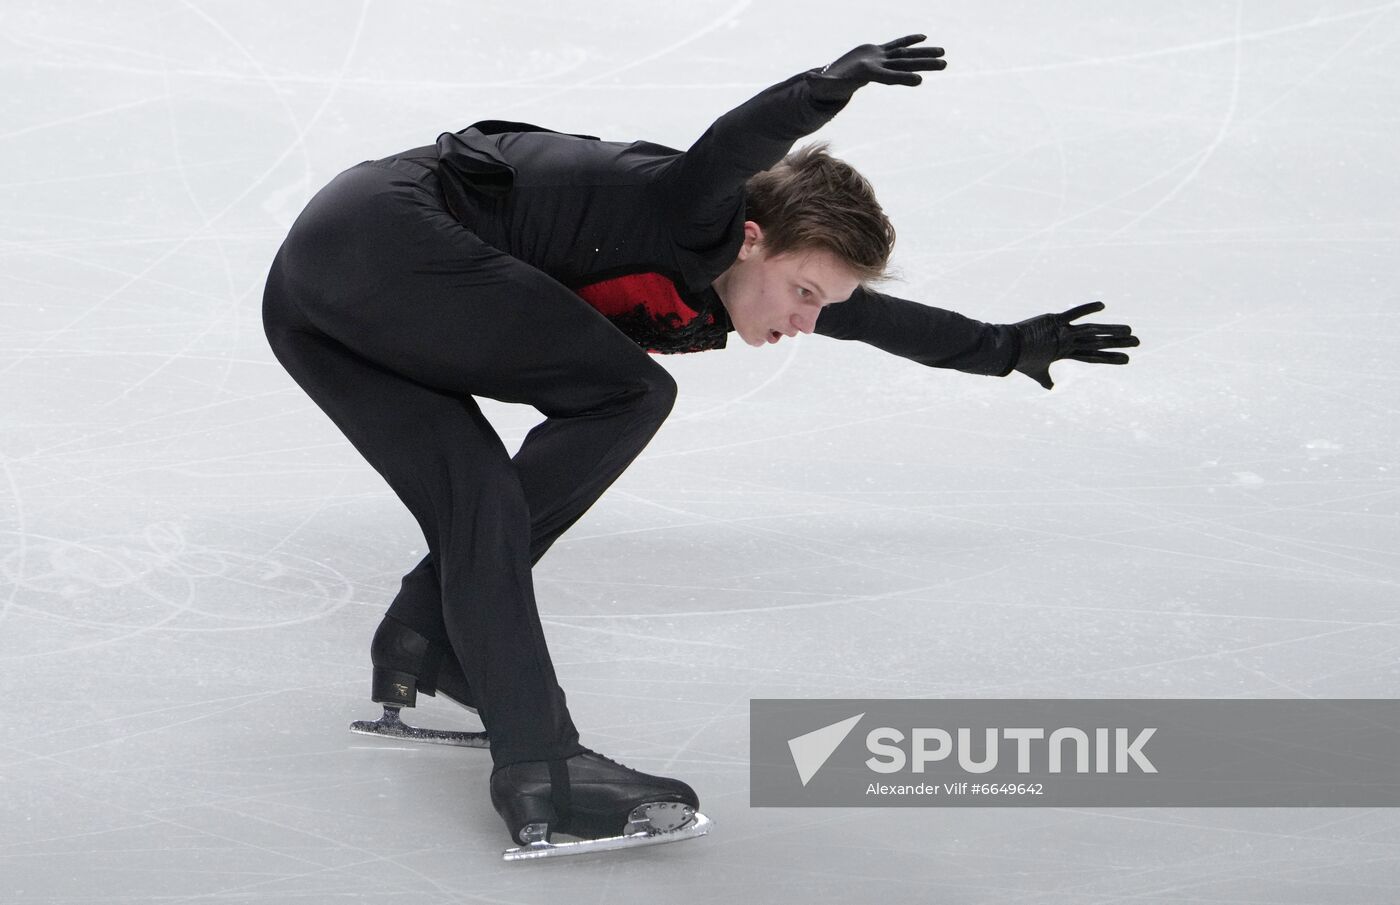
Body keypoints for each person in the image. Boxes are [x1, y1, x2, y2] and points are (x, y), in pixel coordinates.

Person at [260, 35, 1138, 860]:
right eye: (802, 291)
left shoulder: (761, 274)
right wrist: (822, 88)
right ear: (750, 237)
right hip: (386, 237)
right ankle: (544, 769)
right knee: (632, 389)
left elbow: (886, 322)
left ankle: (432, 638)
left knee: (479, 496)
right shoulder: (694, 212)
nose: (805, 320)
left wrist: (1009, 348)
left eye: (820, 305)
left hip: (311, 299)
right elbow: (730, 146)